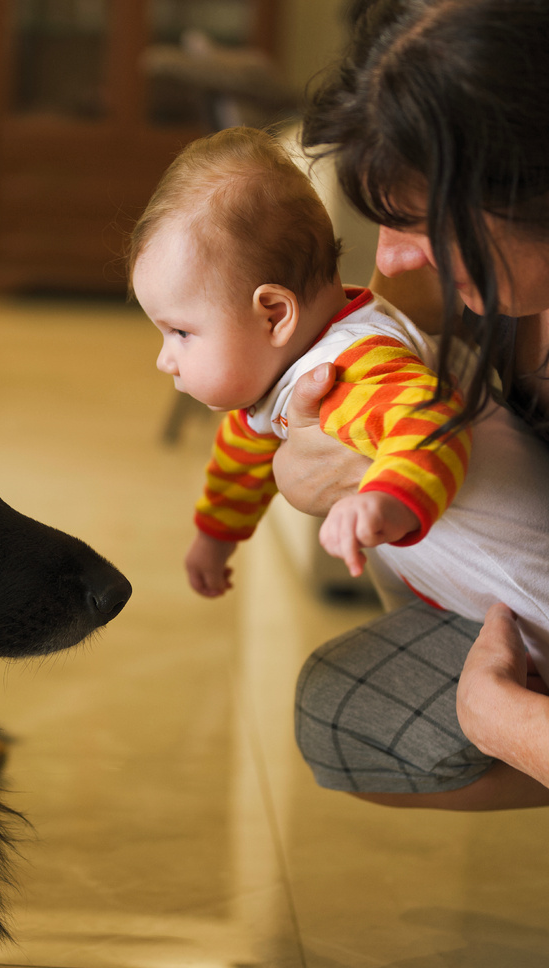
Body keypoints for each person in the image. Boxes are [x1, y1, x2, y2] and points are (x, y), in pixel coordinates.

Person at [276, 0, 549, 968]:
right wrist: (334, 474)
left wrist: (513, 723)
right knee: (355, 715)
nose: (389, 259)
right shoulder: (514, 315)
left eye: (416, 218)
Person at [129, 127, 549, 681]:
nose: (166, 358)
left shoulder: (353, 368)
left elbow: (433, 424)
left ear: (275, 314)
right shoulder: (285, 372)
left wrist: (384, 501)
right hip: (503, 615)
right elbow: (245, 447)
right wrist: (215, 536)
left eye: (180, 332)